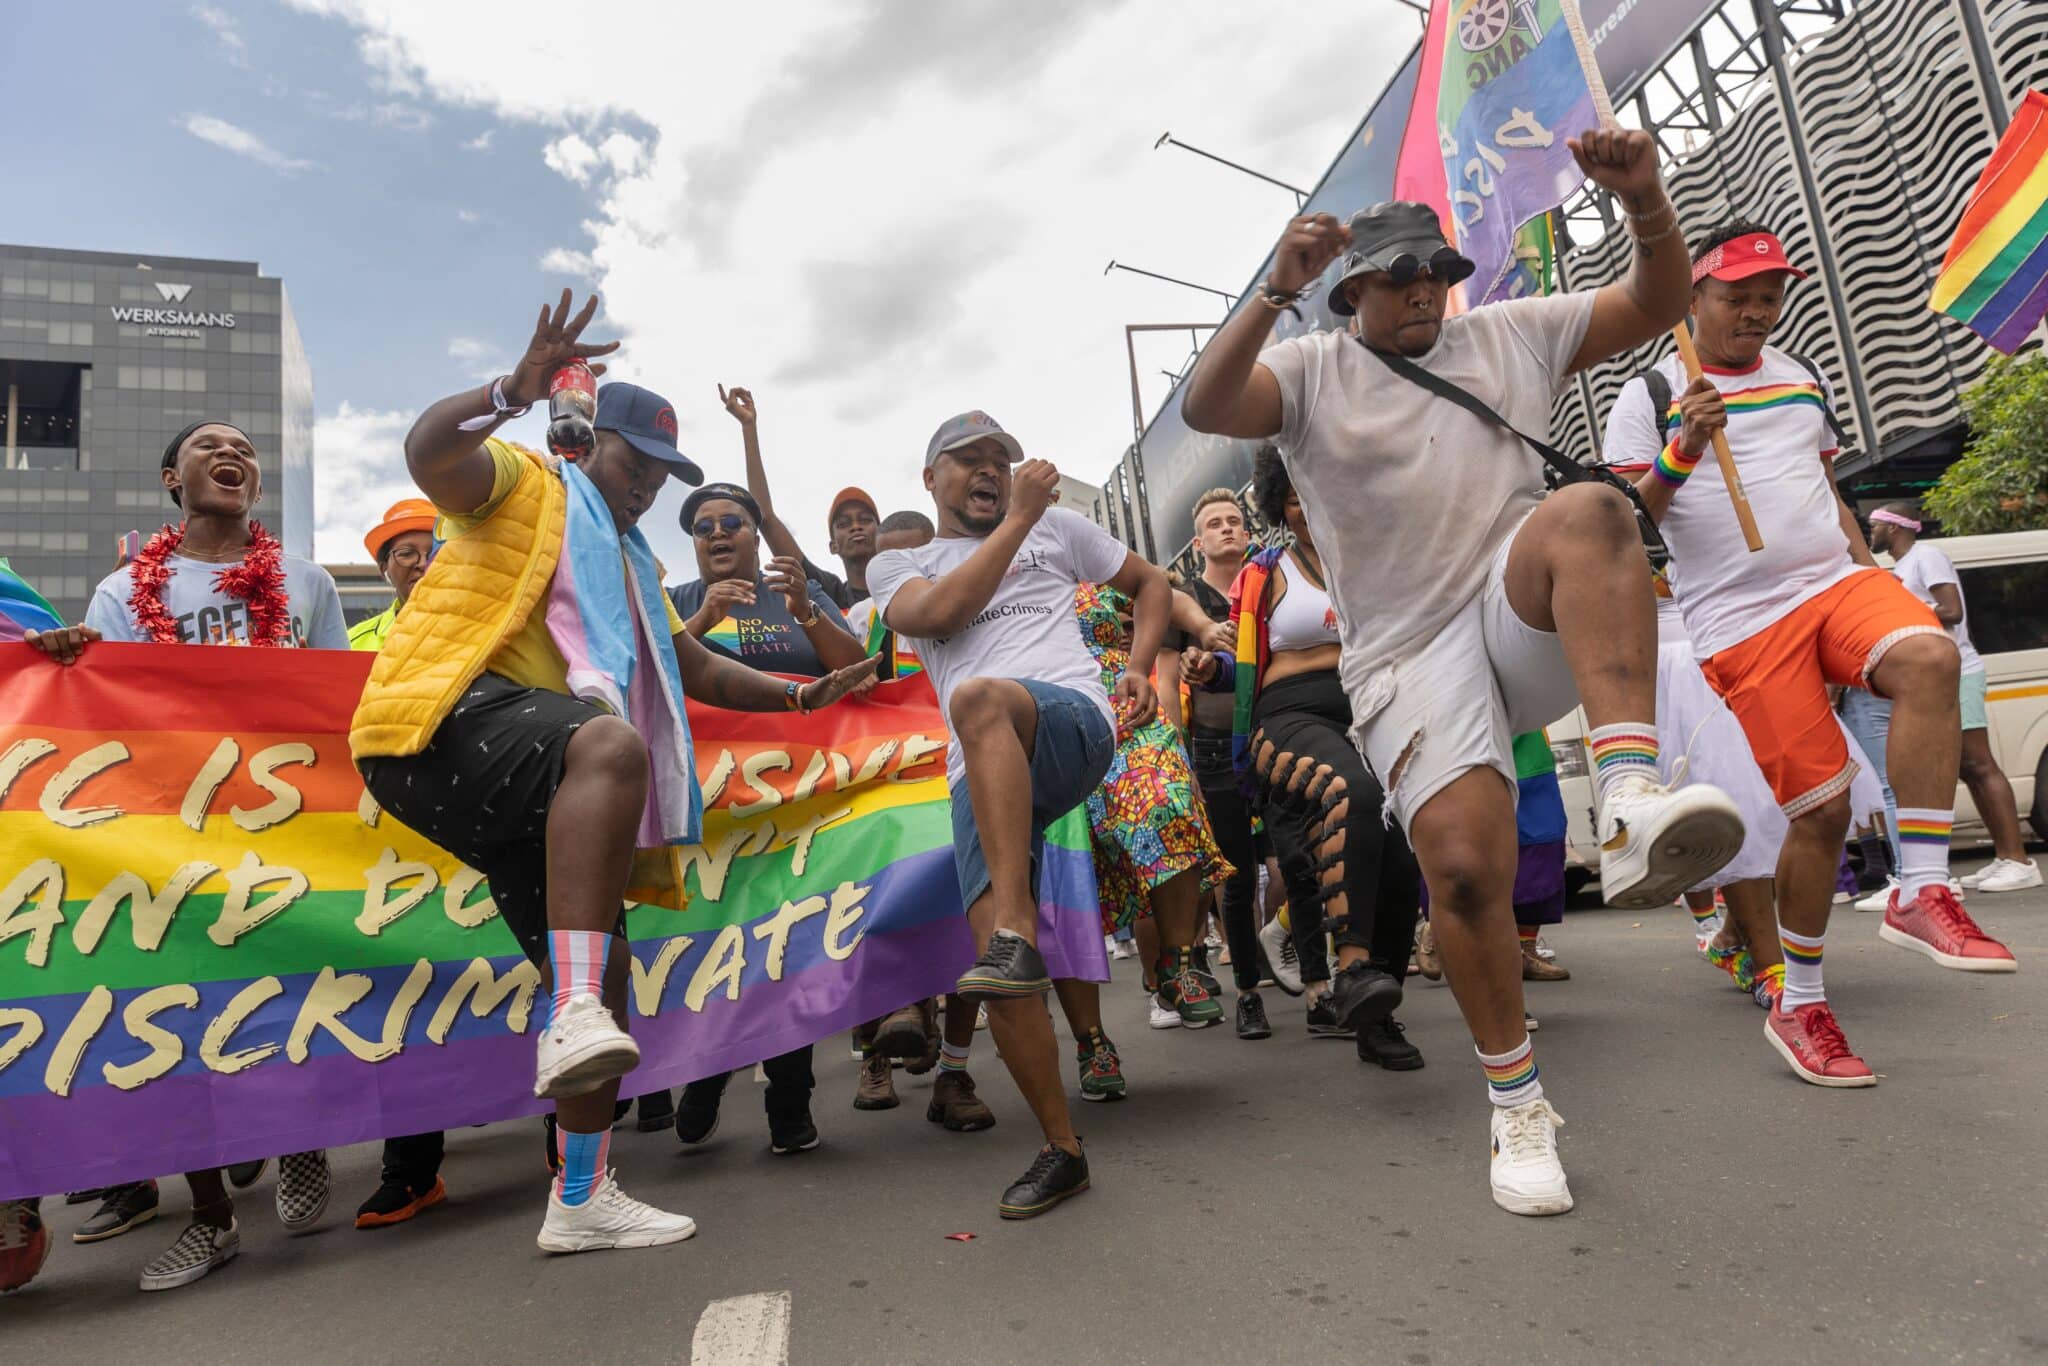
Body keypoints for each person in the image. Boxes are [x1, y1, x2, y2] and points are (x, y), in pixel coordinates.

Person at [1180, 127, 1743, 1217]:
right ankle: (1517, 1103)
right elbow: (1208, 407)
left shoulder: (1511, 334)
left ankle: (1627, 798)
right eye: (1394, 279)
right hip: (1401, 653)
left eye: (1436, 272)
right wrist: (1268, 291)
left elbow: (1650, 300)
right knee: (1466, 873)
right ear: (1350, 293)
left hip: (1514, 608)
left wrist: (1645, 199)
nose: (1422, 293)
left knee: (1587, 507)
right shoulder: (1307, 372)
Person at [350, 291, 876, 1256]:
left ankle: (582, 1193)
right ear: (591, 444)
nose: (647, 491)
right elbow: (431, 455)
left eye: (663, 477)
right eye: (638, 466)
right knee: (608, 744)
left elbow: (698, 668)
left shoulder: (631, 561)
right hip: (440, 723)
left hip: (520, 774)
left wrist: (805, 698)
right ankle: (576, 1010)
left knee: (606, 962)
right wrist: (511, 389)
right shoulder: (526, 482)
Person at [1601, 221, 2015, 1091]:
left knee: (1930, 657)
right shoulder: (1647, 388)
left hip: (1831, 584)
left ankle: (1920, 889)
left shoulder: (1799, 377)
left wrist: (1873, 577)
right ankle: (1803, 1001)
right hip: (1739, 624)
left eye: (1768, 298)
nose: (1756, 313)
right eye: (1736, 298)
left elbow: (1823, 488)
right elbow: (1629, 525)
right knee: (1819, 813)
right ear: (1694, 298)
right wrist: (1680, 447)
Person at [26, 418, 345, 1289]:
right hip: (173, 825)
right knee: (183, 1009)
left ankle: (301, 1137)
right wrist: (64, 658)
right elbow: (100, 701)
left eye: (242, 446)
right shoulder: (123, 589)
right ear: (174, 477)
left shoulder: (306, 581)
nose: (230, 453)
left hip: (287, 820)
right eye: (208, 445)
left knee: (293, 984)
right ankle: (211, 1218)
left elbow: (336, 701)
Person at [867, 411, 1169, 1218]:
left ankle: (1015, 929)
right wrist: (1022, 520)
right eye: (966, 461)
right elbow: (940, 618)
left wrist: (1138, 669)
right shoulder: (899, 565)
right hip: (983, 769)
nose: (988, 472)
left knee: (979, 698)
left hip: (1069, 721)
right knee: (997, 981)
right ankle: (1061, 1149)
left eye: (999, 460)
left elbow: (1152, 584)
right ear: (929, 479)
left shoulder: (1057, 527)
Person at [1182, 447, 1422, 1069]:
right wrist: (1210, 668)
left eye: (1319, 491)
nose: (1310, 504)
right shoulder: (1265, 571)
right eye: (1295, 496)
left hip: (1371, 716)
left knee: (1398, 858)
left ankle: (1376, 1017)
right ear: (1281, 505)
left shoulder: (1368, 561)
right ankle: (1351, 969)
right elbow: (1240, 656)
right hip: (1285, 719)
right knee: (1356, 796)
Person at [666, 475, 866, 1154]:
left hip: (796, 806)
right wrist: (698, 620)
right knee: (715, 947)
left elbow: (859, 671)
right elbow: (643, 673)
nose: (718, 534)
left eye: (733, 523)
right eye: (703, 526)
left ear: (757, 535)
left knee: (788, 948)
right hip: (707, 814)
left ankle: (789, 1101)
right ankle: (708, 1071)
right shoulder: (674, 602)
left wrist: (809, 612)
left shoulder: (798, 595)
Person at [843, 511, 997, 1130]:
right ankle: (875, 1054)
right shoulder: (861, 622)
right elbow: (846, 696)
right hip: (887, 793)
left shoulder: (967, 608)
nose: (901, 575)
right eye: (888, 565)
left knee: (968, 919)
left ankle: (953, 1073)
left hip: (960, 777)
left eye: (916, 560)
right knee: (875, 908)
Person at [1071, 579, 1232, 1078]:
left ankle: (1179, 963)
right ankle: (1091, 1045)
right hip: (1040, 721)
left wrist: (1204, 627)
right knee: (1065, 882)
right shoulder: (983, 579)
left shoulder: (1084, 565)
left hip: (1127, 708)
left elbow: (1155, 588)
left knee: (1168, 805)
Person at [346, 498, 456, 1229]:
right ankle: (411, 1172)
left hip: (481, 826)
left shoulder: (497, 620)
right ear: (385, 568)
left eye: (432, 548)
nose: (420, 562)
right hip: (387, 844)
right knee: (406, 997)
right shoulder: (352, 641)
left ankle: (560, 1137)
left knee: (521, 978)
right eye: (405, 552)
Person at [1865, 505, 2040, 893]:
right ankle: (2004, 857)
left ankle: (2019, 860)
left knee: (1980, 764)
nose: (1870, 531)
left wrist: (1901, 612)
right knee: (1966, 767)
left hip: (1960, 670)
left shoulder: (1927, 557)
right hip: (1944, 676)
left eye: (1874, 525)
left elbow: (1953, 610)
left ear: (1895, 529)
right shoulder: (1905, 565)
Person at [1175, 489, 1274, 1034]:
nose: (1227, 529)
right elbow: (1170, 678)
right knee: (1234, 874)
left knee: (1290, 867)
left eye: (1234, 521)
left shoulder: (1267, 585)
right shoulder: (1185, 599)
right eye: (1214, 524)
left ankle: (1293, 959)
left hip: (1275, 736)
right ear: (1199, 541)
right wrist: (1177, 753)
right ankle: (1247, 990)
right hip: (1212, 748)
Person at [721, 382, 877, 610]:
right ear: (833, 546)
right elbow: (764, 517)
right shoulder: (828, 593)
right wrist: (748, 427)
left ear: (882, 533)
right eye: (844, 524)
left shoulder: (909, 588)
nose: (856, 527)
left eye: (865, 520)